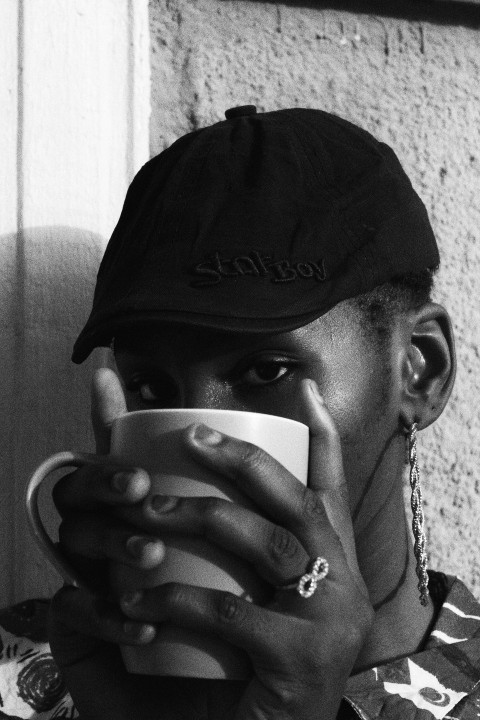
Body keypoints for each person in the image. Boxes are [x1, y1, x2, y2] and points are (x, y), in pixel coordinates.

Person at [3, 106, 480, 719]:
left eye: (266, 371)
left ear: (421, 370)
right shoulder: (26, 681)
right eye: (150, 386)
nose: (197, 430)